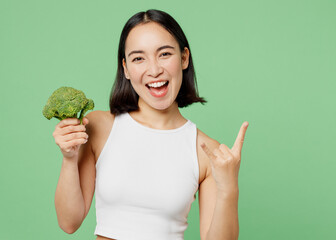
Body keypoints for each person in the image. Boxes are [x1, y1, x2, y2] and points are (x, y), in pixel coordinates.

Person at [52, 9, 249, 240]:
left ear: (184, 58)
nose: (154, 70)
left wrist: (228, 189)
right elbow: (68, 222)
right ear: (125, 68)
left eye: (164, 54)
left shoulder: (207, 151)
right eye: (138, 58)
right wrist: (69, 158)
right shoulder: (99, 127)